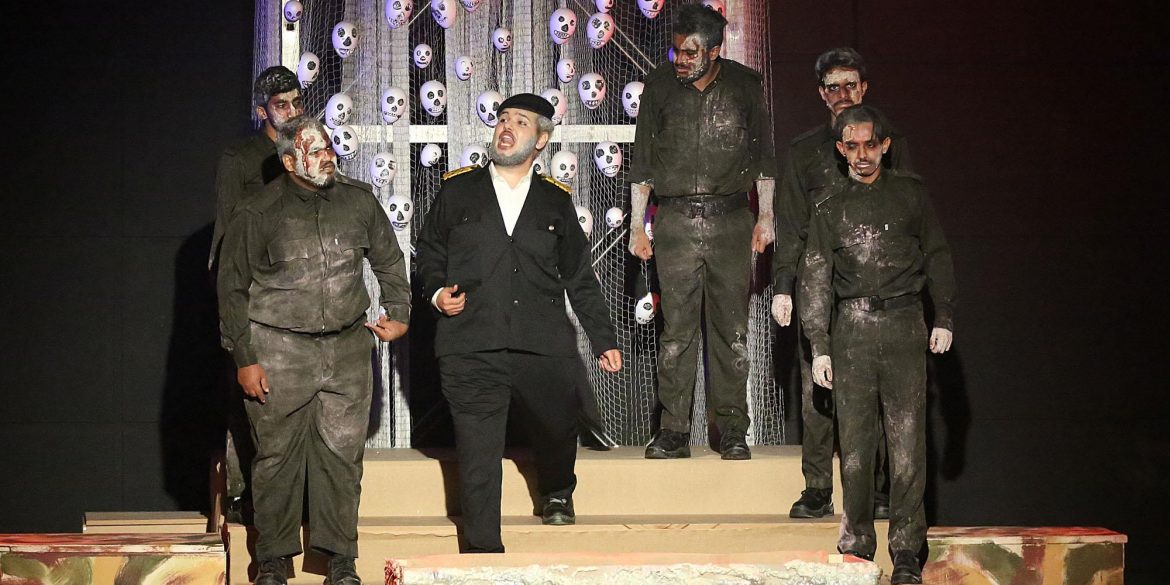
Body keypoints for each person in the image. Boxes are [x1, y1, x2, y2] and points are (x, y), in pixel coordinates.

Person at [416, 94, 622, 554]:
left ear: (541, 140)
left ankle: (557, 491)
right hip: (471, 342)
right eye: (503, 119)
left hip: (542, 343)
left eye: (521, 122)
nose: (507, 127)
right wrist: (436, 293)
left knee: (557, 424)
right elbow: (429, 252)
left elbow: (578, 276)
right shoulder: (458, 190)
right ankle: (483, 552)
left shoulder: (555, 200)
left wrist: (603, 338)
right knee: (478, 451)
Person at [217, 115, 411, 585]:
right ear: (289, 161)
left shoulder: (359, 201)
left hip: (346, 350)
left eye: (328, 147)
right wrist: (244, 358)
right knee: (276, 458)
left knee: (342, 457)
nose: (328, 156)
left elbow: (389, 259)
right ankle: (272, 561)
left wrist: (400, 311)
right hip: (278, 349)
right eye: (316, 150)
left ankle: (340, 561)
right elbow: (231, 290)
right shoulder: (257, 212)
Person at [798, 104, 955, 585]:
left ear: (885, 146)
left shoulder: (910, 196)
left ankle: (907, 551)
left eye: (870, 145)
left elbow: (938, 255)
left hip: (905, 323)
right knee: (857, 449)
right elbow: (816, 277)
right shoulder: (829, 206)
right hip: (852, 330)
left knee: (907, 446)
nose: (862, 154)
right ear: (840, 149)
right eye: (852, 146)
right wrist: (819, 345)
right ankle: (857, 547)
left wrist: (944, 316)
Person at [627, 4, 776, 460]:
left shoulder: (745, 85)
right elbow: (642, 162)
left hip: (731, 220)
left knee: (731, 330)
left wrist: (766, 217)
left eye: (690, 52)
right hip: (675, 221)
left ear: (714, 51)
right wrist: (637, 226)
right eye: (676, 50)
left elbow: (764, 158)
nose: (681, 60)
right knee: (676, 331)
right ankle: (673, 430)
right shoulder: (659, 85)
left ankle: (731, 429)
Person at [772, 48, 912, 519]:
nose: (842, 94)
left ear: (864, 88)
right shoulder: (804, 151)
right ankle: (817, 487)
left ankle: (877, 490)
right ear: (821, 94)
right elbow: (791, 222)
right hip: (819, 285)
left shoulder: (888, 143)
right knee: (818, 389)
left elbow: (907, 213)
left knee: (876, 391)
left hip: (874, 283)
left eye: (850, 85)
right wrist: (783, 284)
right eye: (833, 87)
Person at [210, 65, 304, 523]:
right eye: (281, 104)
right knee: (252, 396)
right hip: (255, 291)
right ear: (262, 110)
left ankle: (292, 498)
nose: (291, 111)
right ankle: (243, 495)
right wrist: (232, 300)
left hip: (302, 292)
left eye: (296, 101)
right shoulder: (242, 158)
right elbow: (227, 235)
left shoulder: (308, 151)